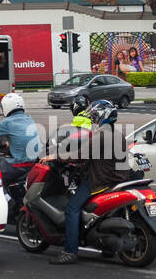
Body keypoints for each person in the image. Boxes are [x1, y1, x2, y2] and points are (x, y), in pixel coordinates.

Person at [46, 99, 135, 265]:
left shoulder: (101, 135)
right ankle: (106, 247)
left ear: (102, 117)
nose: (93, 119)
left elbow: (80, 154)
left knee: (72, 208)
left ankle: (69, 251)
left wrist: (55, 156)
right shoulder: (117, 134)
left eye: (95, 116)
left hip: (100, 181)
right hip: (118, 179)